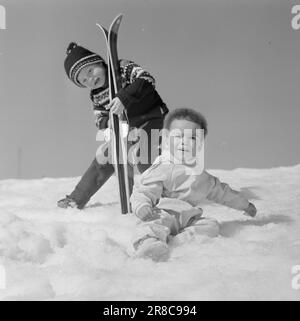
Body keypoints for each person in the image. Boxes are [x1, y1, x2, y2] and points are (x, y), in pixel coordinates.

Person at [130, 108, 257, 261]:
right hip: (162, 212)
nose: (184, 142)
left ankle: (178, 242)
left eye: (192, 138)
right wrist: (142, 206)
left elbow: (222, 192)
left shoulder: (201, 176)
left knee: (211, 226)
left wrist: (245, 205)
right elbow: (144, 191)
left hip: (189, 218)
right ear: (166, 137)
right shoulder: (163, 167)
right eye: (178, 136)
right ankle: (148, 245)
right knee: (151, 226)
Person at [58, 42, 168, 209]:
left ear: (99, 62)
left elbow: (146, 79)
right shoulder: (96, 95)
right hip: (127, 129)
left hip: (151, 118)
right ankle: (76, 198)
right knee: (105, 157)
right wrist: (107, 122)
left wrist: (124, 97)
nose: (91, 78)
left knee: (144, 156)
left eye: (90, 70)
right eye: (84, 80)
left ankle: (158, 197)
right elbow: (98, 117)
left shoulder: (122, 68)